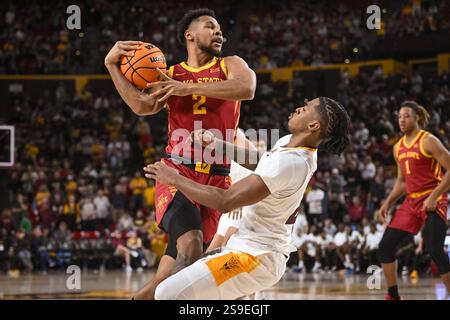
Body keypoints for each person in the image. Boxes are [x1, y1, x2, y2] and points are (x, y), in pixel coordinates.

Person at [105, 8, 256, 299]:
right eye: (210, 27)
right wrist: (112, 65)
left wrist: (184, 89)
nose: (218, 32)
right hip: (177, 172)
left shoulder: (230, 65)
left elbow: (247, 87)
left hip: (217, 178)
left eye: (220, 29)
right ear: (189, 35)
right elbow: (142, 106)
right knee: (191, 245)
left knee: (163, 282)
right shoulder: (170, 74)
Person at [144, 97, 350, 300]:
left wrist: (174, 179)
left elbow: (225, 201)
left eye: (306, 109)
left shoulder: (291, 163)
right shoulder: (289, 144)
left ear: (313, 125)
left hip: (254, 258)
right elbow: (262, 161)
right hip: (248, 249)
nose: (298, 109)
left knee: (167, 293)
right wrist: (218, 144)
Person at [378, 101, 450, 300]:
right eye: (399, 116)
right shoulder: (398, 147)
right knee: (385, 248)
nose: (402, 120)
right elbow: (402, 182)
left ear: (417, 117)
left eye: (406, 116)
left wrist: (435, 196)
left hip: (433, 198)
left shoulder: (428, 140)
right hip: (411, 202)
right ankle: (393, 295)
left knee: (434, 248)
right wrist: (388, 203)